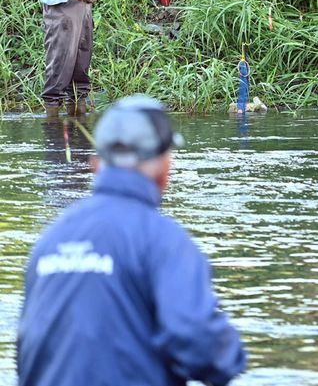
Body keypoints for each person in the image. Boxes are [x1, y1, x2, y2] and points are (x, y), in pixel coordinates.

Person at [17, 95, 247, 386]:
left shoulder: (50, 239)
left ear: (96, 164)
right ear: (164, 165)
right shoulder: (164, 241)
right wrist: (231, 353)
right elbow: (202, 345)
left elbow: (26, 357)